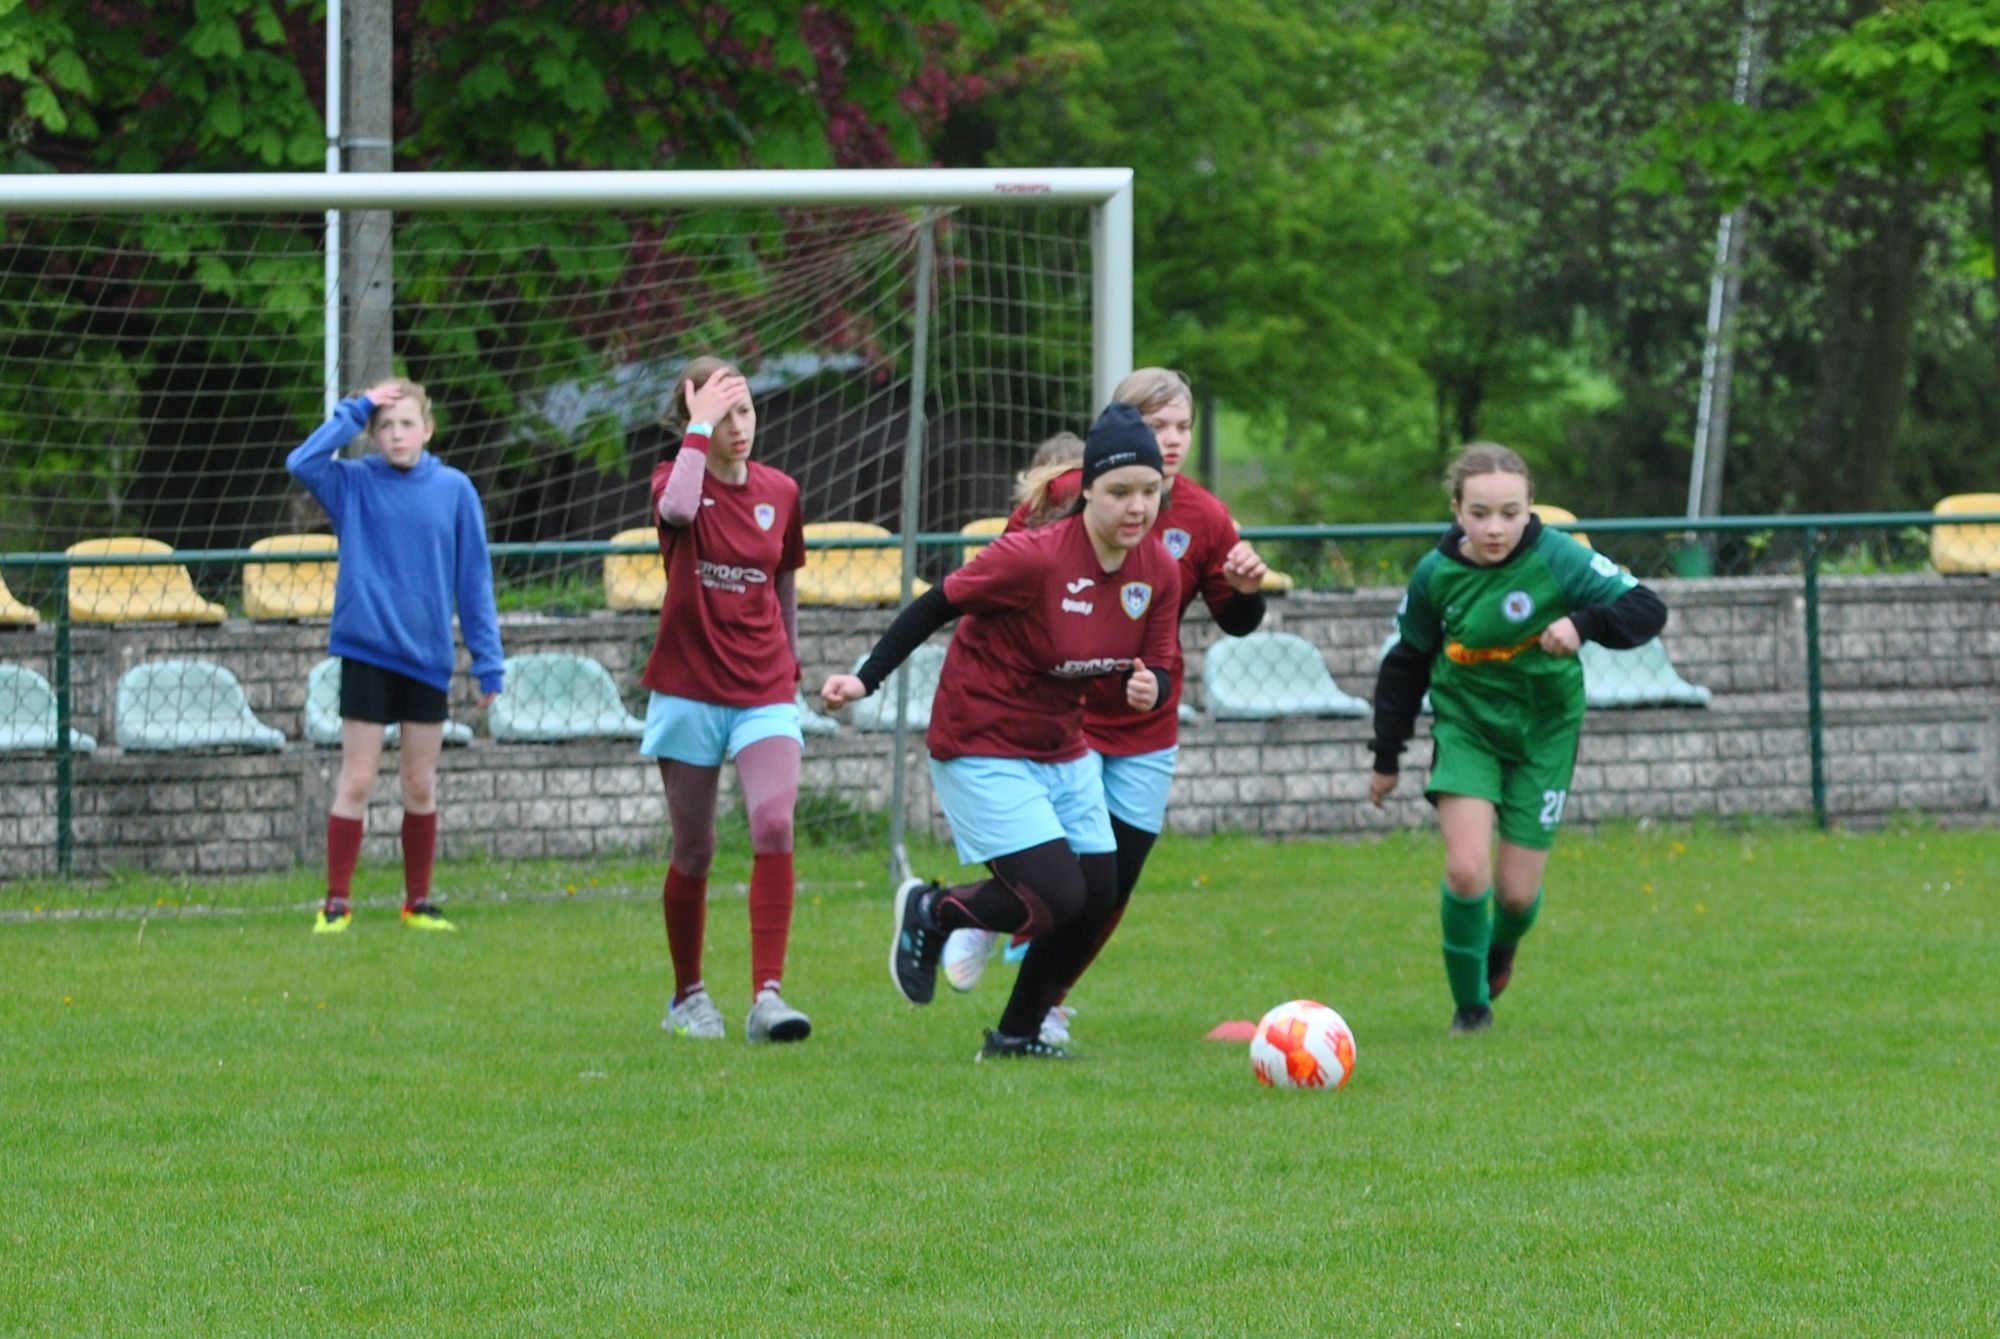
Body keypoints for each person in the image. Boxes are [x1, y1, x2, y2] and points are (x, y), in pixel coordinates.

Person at [820, 403, 1182, 1061]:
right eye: (1120, 491)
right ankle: (933, 911)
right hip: (980, 735)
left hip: (1059, 742)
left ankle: (1016, 1033)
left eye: (1150, 492)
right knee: (1053, 897)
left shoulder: (1157, 567)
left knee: (1099, 894)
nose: (1137, 507)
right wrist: (864, 680)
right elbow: (936, 603)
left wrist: (1151, 685)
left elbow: (1159, 658)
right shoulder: (1033, 557)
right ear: (1088, 490)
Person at [940, 371, 1270, 1054]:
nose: (1172, 440)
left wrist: (1246, 592)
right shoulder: (1064, 497)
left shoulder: (1206, 517)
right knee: (1058, 879)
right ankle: (982, 916)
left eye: (1183, 427)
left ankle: (1037, 1011)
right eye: (1157, 426)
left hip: (1148, 730)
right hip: (1070, 725)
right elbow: (1003, 581)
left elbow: (1235, 621)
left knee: (1109, 892)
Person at [1368, 443, 1666, 1034]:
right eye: (1479, 513)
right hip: (1468, 728)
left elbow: (1647, 609)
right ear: (1457, 511)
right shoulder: (1436, 574)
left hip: (1544, 734)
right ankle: (1471, 1010)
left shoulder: (1559, 559)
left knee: (1513, 895)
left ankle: (1501, 948)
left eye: (1510, 512)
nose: (1495, 527)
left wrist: (1583, 625)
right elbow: (1406, 663)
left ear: (1531, 508)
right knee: (1466, 871)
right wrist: (1386, 755)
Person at [288, 378, 504, 935]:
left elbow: (474, 582)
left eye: (407, 423)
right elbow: (302, 460)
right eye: (385, 426)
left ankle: (418, 903)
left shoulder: (455, 490)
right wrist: (356, 408)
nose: (396, 434)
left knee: (419, 783)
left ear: (427, 430)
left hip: (427, 657)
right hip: (365, 652)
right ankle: (336, 903)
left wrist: (489, 661)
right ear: (372, 435)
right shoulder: (352, 484)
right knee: (356, 779)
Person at [641, 357, 813, 1045]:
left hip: (765, 686)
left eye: (746, 409)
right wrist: (699, 423)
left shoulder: (782, 491)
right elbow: (679, 507)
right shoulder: (672, 479)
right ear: (696, 422)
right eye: (723, 413)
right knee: (696, 850)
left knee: (773, 822)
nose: (740, 426)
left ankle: (768, 996)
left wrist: (793, 665)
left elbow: (785, 582)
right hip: (687, 689)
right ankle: (688, 995)